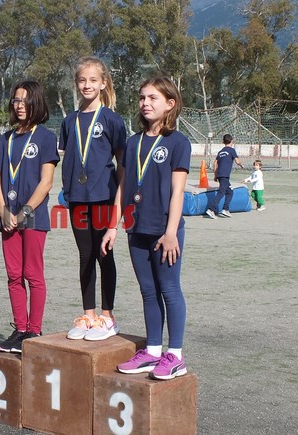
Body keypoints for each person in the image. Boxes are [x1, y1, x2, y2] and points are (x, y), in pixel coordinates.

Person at [113, 77, 191, 380]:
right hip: (136, 228)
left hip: (164, 231)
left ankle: (176, 355)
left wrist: (171, 232)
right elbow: (123, 186)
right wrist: (113, 226)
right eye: (142, 97)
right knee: (148, 291)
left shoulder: (178, 142)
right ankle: (153, 351)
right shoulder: (132, 142)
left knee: (169, 289)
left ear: (170, 104)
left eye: (153, 98)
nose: (145, 103)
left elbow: (178, 191)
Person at [59, 56, 127, 341]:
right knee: (85, 256)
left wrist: (118, 201)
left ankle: (107, 317)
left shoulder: (112, 120)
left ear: (103, 83)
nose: (87, 85)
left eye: (93, 80)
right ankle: (88, 315)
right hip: (77, 198)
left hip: (103, 197)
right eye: (82, 80)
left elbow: (123, 165)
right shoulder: (69, 121)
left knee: (103, 254)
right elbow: (71, 158)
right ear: (76, 83)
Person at [0, 80, 60, 353]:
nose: (20, 106)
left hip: (33, 216)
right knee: (13, 275)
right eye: (16, 100)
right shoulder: (6, 139)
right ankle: (20, 330)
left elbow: (46, 182)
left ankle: (34, 330)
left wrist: (25, 212)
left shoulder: (45, 138)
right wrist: (4, 211)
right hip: (8, 217)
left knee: (33, 274)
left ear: (36, 103)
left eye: (25, 101)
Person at [205, 134, 244, 219]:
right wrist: (241, 165)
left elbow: (215, 163)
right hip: (225, 175)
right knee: (221, 192)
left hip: (220, 174)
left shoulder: (221, 151)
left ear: (223, 141)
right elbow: (237, 161)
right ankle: (211, 209)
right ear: (232, 141)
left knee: (229, 191)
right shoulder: (232, 150)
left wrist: (215, 175)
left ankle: (225, 209)